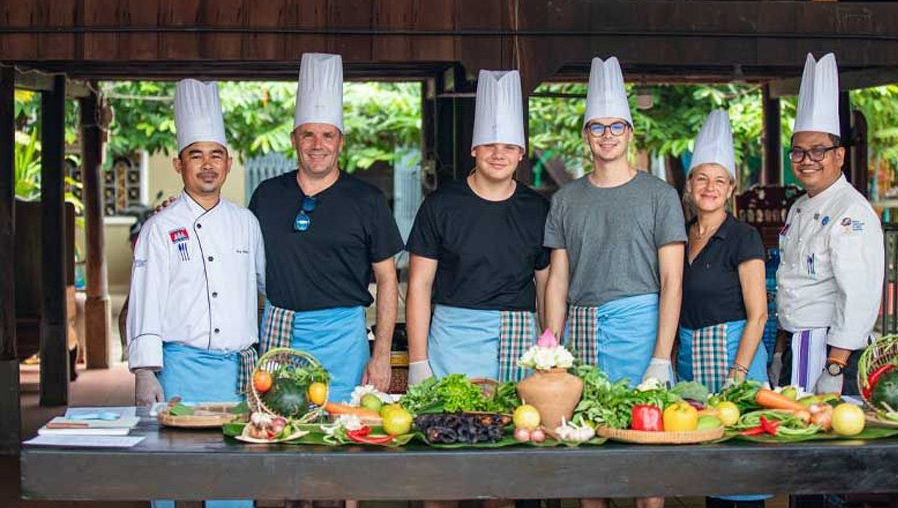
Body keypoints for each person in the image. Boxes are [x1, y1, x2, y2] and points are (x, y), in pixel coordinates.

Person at [544, 56, 687, 508]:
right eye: (597, 127)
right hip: (583, 333)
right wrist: (553, 346)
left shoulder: (659, 196)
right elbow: (558, 280)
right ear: (585, 135)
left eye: (616, 127)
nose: (607, 136)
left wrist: (661, 358)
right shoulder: (566, 199)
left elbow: (672, 282)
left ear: (630, 132)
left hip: (641, 329)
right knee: (592, 462)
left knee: (648, 465)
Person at [127, 79, 264, 508]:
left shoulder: (246, 223)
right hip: (179, 369)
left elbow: (265, 288)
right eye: (196, 155)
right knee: (171, 478)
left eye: (216, 155)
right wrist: (145, 373)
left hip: (237, 372)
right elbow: (145, 298)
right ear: (178, 163)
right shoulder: (160, 228)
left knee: (232, 481)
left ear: (228, 163)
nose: (207, 165)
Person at [249, 53, 403, 403]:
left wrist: (381, 356)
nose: (317, 145)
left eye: (327, 135)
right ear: (294, 139)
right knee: (279, 427)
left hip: (344, 338)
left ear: (340, 142)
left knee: (345, 429)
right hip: (281, 330)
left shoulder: (368, 200)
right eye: (308, 135)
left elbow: (388, 279)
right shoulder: (266, 195)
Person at [406, 70, 550, 390]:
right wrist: (418, 362)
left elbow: (546, 288)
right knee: (454, 429)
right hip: (453, 336)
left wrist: (549, 352)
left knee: (518, 430)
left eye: (509, 147)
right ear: (474, 149)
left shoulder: (538, 210)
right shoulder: (440, 205)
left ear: (521, 153)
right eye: (490, 145)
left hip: (519, 338)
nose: (499, 155)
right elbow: (418, 285)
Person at [771, 53, 885, 396]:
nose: (807, 161)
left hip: (831, 351)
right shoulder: (799, 207)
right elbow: (790, 280)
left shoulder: (852, 212)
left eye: (818, 151)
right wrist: (779, 351)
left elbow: (859, 296)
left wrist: (836, 366)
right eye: (798, 152)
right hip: (796, 343)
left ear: (839, 155)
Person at [675, 109, 770, 508]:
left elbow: (759, 314)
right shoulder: (679, 236)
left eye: (719, 181)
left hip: (735, 355)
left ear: (731, 188)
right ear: (690, 184)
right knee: (709, 465)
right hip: (691, 360)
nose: (709, 188)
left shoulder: (742, 237)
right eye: (702, 178)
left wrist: (739, 373)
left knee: (742, 465)